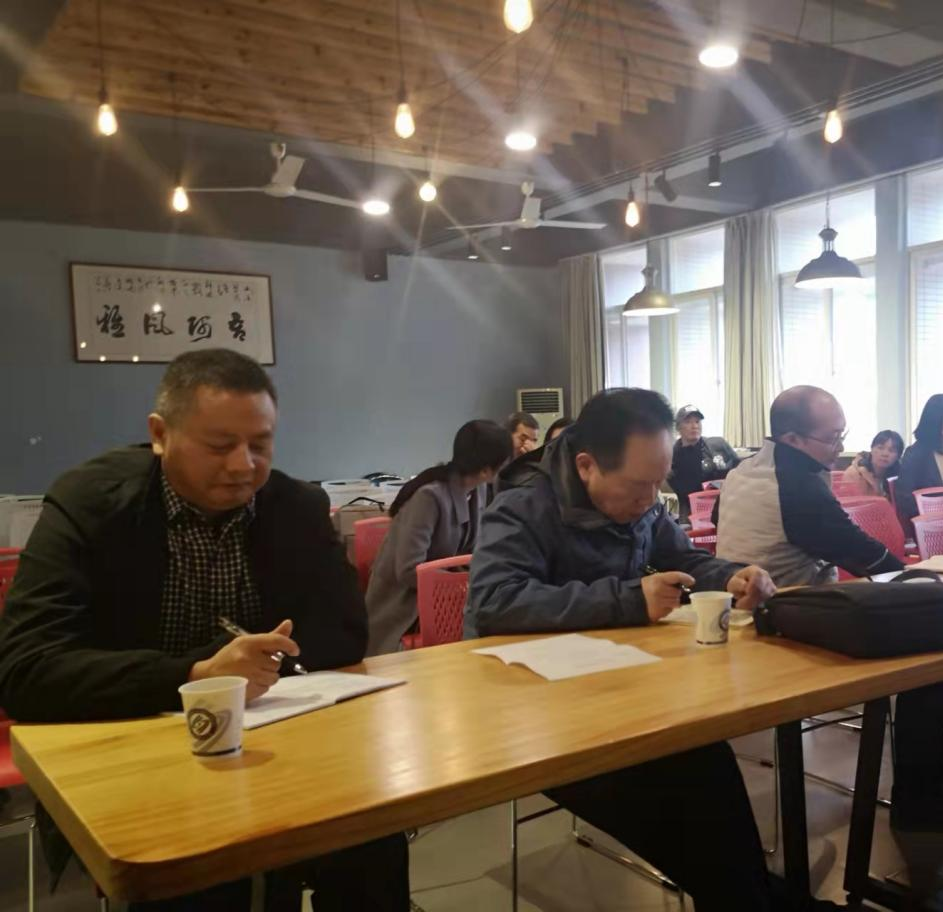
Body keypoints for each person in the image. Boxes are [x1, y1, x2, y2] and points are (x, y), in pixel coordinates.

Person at [0, 349, 409, 910]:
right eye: (219, 446)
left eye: (260, 444)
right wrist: (197, 674)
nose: (243, 465)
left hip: (275, 748)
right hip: (133, 749)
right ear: (160, 435)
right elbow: (25, 670)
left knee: (373, 837)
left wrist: (260, 666)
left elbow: (343, 632)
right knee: (200, 879)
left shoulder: (293, 506)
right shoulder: (91, 504)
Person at [466, 388, 836, 912]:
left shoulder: (639, 501)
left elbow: (683, 557)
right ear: (587, 466)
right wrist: (628, 598)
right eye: (640, 487)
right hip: (537, 712)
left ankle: (756, 896)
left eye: (658, 483)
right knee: (678, 789)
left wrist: (732, 576)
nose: (650, 499)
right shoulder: (523, 506)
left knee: (703, 756)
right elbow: (494, 603)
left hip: (617, 689)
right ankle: (754, 898)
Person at [716, 386, 943, 832]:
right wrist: (917, 581)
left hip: (773, 611)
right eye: (832, 438)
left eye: (842, 433)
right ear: (792, 439)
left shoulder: (749, 469)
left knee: (932, 637)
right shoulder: (793, 484)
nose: (840, 447)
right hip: (778, 621)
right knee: (931, 636)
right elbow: (858, 551)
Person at [364, 420, 512, 656]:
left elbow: (474, 551)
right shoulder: (429, 497)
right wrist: (460, 584)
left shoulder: (479, 489)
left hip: (448, 599)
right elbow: (408, 570)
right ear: (486, 470)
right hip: (405, 607)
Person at [669, 405, 740, 521]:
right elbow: (681, 490)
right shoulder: (672, 456)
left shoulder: (718, 444)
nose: (694, 426)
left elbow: (740, 468)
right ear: (678, 428)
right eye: (688, 422)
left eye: (697, 421)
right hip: (692, 512)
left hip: (726, 506)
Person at [840, 430, 904, 498]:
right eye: (880, 448)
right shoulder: (854, 473)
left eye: (891, 450)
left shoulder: (899, 476)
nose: (885, 454)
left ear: (898, 456)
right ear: (872, 449)